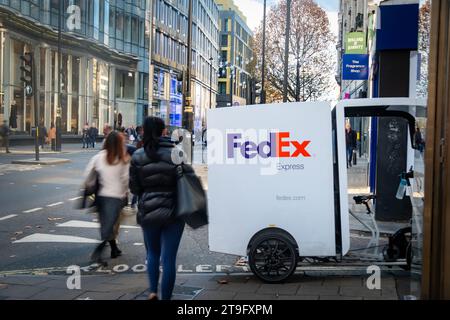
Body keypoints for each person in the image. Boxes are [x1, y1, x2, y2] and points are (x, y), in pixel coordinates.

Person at [129, 117, 186, 300]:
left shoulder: (138, 155)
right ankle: (166, 297)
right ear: (164, 132)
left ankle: (153, 290)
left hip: (149, 210)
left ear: (144, 131)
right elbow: (184, 183)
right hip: (174, 211)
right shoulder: (176, 153)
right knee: (169, 258)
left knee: (152, 253)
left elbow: (135, 188)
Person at [85, 131, 130, 265]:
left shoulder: (99, 157)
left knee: (107, 225)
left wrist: (92, 187)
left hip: (101, 197)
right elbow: (126, 179)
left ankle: (114, 249)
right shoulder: (123, 158)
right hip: (116, 197)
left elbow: (88, 176)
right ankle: (97, 254)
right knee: (111, 226)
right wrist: (126, 193)